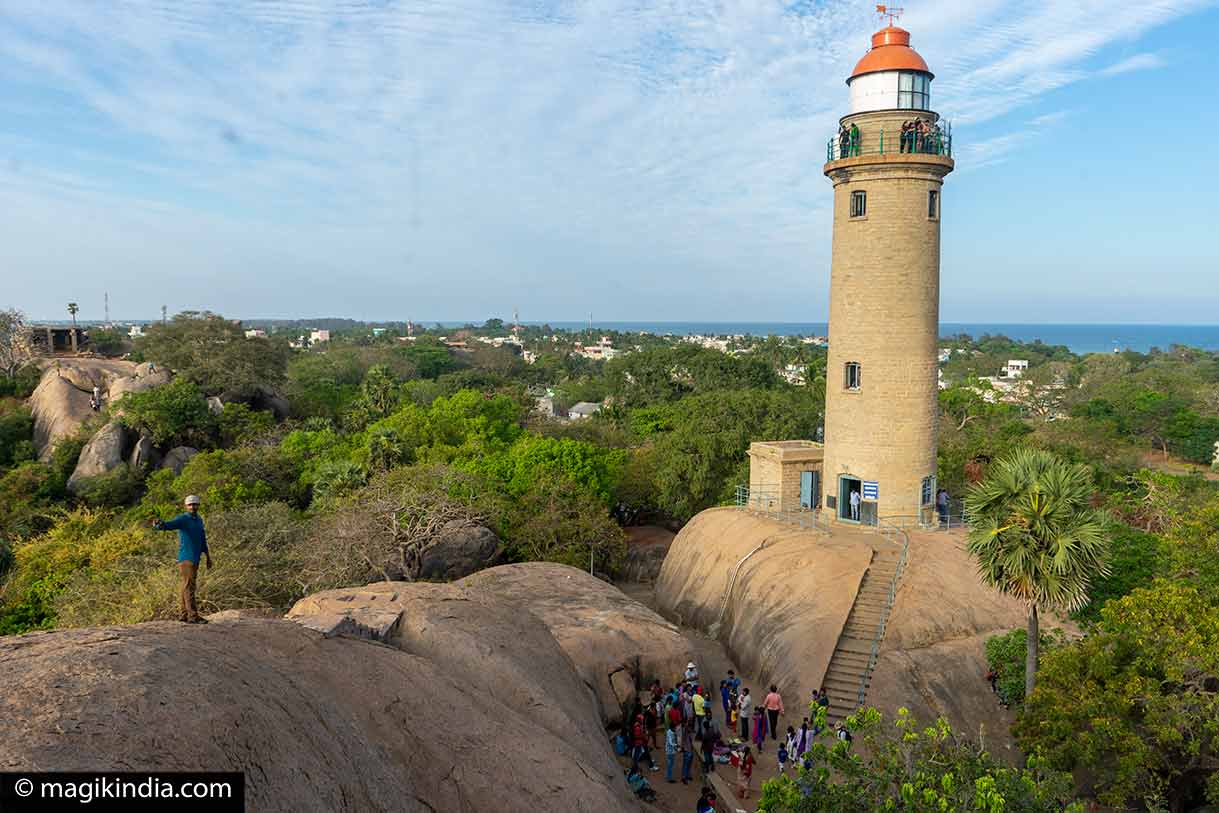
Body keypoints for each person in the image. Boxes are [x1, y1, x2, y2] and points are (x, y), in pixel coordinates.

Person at [152, 495, 211, 623]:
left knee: (186, 586)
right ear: (186, 506)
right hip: (186, 558)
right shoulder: (183, 519)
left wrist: (207, 556)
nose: (192, 507)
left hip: (195, 557)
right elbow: (169, 525)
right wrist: (159, 525)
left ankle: (184, 615)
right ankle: (193, 617)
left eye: (195, 504)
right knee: (189, 587)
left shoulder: (199, 520)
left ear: (198, 505)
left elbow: (202, 539)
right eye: (190, 505)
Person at [680, 718, 695, 784]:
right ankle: (684, 777)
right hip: (687, 749)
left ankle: (688, 775)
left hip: (690, 749)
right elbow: (683, 739)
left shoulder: (690, 730)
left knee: (689, 764)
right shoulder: (685, 730)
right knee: (686, 764)